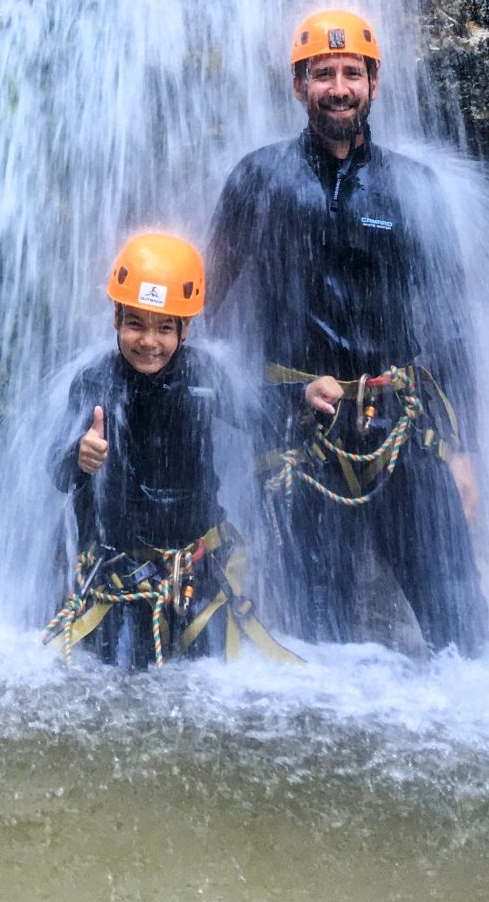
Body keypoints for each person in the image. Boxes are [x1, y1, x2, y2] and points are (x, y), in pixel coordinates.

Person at [205, 8, 489, 658]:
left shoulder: (412, 189)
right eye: (323, 73)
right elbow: (210, 316)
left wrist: (462, 451)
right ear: (299, 86)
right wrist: (255, 408)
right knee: (317, 649)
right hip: (298, 436)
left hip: (400, 428)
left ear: (374, 84)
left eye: (351, 73)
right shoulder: (258, 180)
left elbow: (451, 327)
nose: (339, 86)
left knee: (465, 637)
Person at [44, 232, 299, 669]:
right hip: (117, 577)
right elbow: (57, 469)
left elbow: (262, 412)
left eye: (165, 327)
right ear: (116, 319)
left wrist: (307, 393)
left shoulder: (204, 376)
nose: (149, 342)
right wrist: (80, 458)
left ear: (186, 327)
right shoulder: (94, 382)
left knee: (203, 684)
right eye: (136, 324)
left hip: (194, 573)